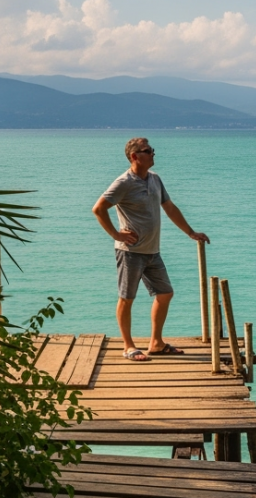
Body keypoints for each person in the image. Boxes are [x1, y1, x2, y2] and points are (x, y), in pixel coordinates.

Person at [92, 137, 210, 361]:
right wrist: (117, 235)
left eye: (152, 149)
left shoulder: (155, 179)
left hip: (152, 251)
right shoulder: (123, 182)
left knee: (165, 294)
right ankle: (128, 347)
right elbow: (98, 209)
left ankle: (156, 343)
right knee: (127, 298)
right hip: (130, 252)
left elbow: (169, 207)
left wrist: (190, 232)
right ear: (135, 156)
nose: (153, 153)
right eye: (148, 151)